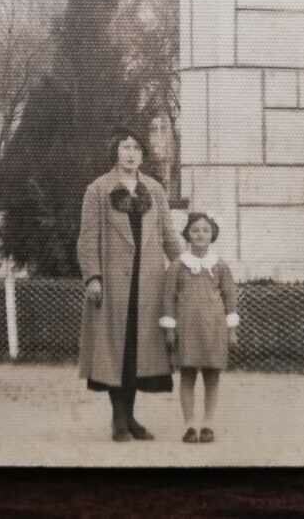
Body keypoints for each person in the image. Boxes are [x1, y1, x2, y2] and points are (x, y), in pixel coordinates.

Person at [77, 126, 183, 442]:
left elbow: (169, 237)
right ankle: (118, 420)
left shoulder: (155, 190)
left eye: (136, 147)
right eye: (125, 146)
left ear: (143, 154)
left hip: (149, 286)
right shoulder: (97, 190)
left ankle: (132, 418)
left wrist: (185, 270)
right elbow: (87, 239)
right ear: (115, 151)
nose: (131, 153)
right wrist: (92, 277)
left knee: (138, 354)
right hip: (112, 287)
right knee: (115, 353)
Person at [160, 212, 239, 444]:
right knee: (187, 375)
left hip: (214, 328)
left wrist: (231, 330)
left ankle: (208, 424)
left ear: (212, 234)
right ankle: (189, 426)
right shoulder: (177, 266)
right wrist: (169, 328)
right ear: (187, 235)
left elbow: (230, 297)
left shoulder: (220, 266)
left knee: (212, 376)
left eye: (205, 230)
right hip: (187, 328)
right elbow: (167, 297)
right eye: (195, 230)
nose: (200, 234)